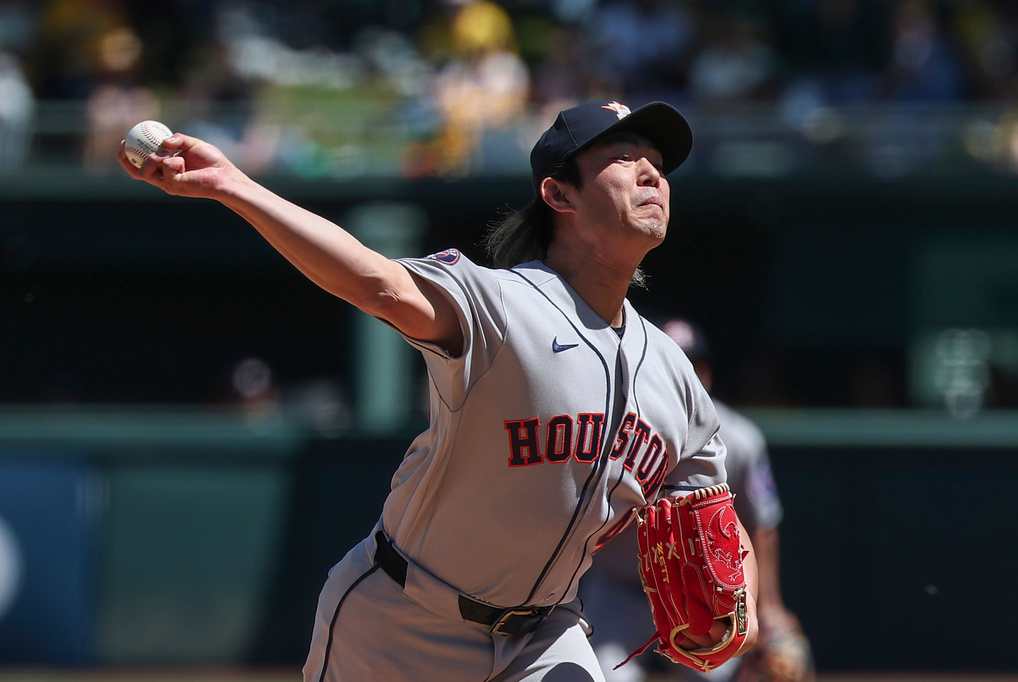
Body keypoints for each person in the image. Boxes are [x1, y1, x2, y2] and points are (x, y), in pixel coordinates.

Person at [118, 99, 759, 681]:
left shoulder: (672, 371)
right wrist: (234, 186)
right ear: (559, 194)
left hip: (545, 636)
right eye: (624, 158)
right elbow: (375, 282)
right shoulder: (500, 303)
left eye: (658, 164)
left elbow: (718, 515)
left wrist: (748, 602)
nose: (652, 174)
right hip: (402, 622)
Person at [581, 318, 814, 682]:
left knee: (709, 675)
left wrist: (767, 606)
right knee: (608, 678)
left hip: (705, 594)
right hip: (620, 590)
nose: (679, 374)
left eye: (690, 363)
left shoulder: (740, 438)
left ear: (704, 372)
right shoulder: (612, 430)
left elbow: (759, 523)